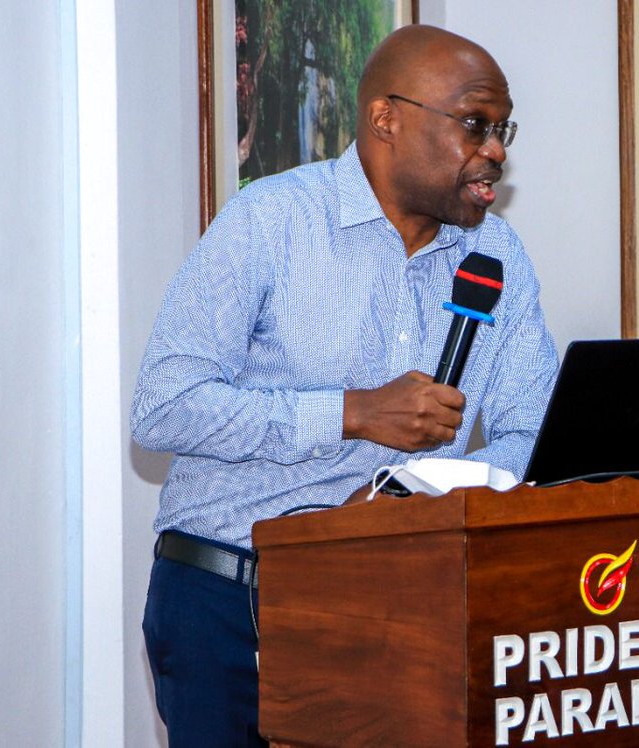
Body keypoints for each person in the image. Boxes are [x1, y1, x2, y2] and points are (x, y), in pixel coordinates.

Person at [130, 24, 559, 747]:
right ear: (386, 119)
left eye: (502, 128)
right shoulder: (271, 221)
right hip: (230, 606)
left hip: (398, 604)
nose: (496, 151)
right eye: (475, 124)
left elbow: (530, 430)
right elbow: (164, 408)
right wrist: (352, 414)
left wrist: (419, 495)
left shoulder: (496, 253)